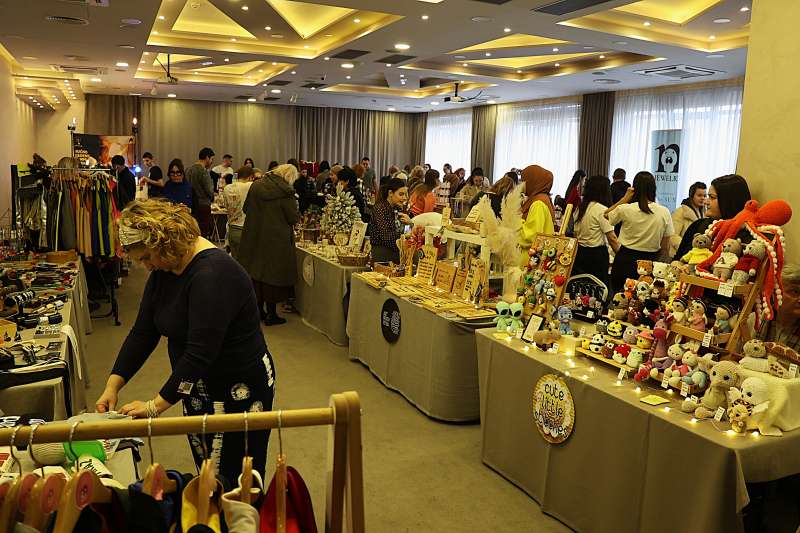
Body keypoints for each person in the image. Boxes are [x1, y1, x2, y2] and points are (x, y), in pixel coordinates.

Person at [95, 199, 276, 490]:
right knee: (209, 473)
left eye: (147, 257)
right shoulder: (166, 270)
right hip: (196, 385)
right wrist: (113, 385)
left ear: (163, 242)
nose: (146, 266)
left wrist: (154, 406)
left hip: (238, 388)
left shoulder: (212, 275)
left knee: (236, 482)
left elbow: (200, 353)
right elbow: (143, 332)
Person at [238, 164, 300, 325]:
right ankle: (272, 314)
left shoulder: (256, 185)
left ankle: (259, 311)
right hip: (276, 240)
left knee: (256, 273)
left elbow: (245, 209)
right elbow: (293, 218)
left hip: (254, 235)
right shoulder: (287, 192)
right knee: (273, 276)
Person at [606, 171, 674, 293]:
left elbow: (606, 214)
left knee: (620, 298)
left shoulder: (625, 209)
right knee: (645, 299)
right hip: (650, 262)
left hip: (625, 260)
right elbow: (665, 247)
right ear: (653, 189)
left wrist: (625, 198)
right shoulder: (664, 212)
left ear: (634, 189)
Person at [673, 174, 752, 261]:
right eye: (708, 196)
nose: (706, 202)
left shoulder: (745, 236)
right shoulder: (698, 225)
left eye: (712, 197)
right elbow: (677, 259)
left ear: (729, 201)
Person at [573, 175, 620, 285]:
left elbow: (575, 234)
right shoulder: (601, 210)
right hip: (596, 256)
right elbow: (612, 239)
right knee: (598, 286)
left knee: (582, 285)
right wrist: (621, 256)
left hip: (580, 253)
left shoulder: (580, 208)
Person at [369, 178, 412, 263]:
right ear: (390, 193)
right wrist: (405, 237)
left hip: (396, 251)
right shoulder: (380, 209)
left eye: (406, 194)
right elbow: (388, 238)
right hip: (383, 254)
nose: (404, 198)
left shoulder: (397, 209)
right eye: (401, 194)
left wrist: (409, 224)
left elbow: (405, 231)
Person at [519, 165, 555, 251]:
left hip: (530, 256)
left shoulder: (538, 203)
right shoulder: (542, 198)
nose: (521, 185)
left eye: (523, 181)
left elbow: (531, 237)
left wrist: (515, 221)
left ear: (532, 181)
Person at [224, 166, 256, 259]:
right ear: (250, 177)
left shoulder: (227, 188)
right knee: (247, 261)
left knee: (235, 260)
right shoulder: (249, 186)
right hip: (244, 229)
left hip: (231, 229)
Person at [670, 181, 707, 256]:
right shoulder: (680, 212)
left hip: (697, 254)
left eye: (705, 196)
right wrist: (686, 249)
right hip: (680, 254)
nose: (703, 198)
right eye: (699, 195)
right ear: (692, 196)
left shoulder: (706, 213)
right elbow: (673, 235)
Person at [185, 147, 215, 237]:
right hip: (203, 205)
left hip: (190, 205)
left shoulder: (188, 170)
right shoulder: (203, 171)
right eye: (212, 159)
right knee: (202, 233)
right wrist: (213, 196)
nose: (212, 162)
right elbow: (209, 190)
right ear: (207, 158)